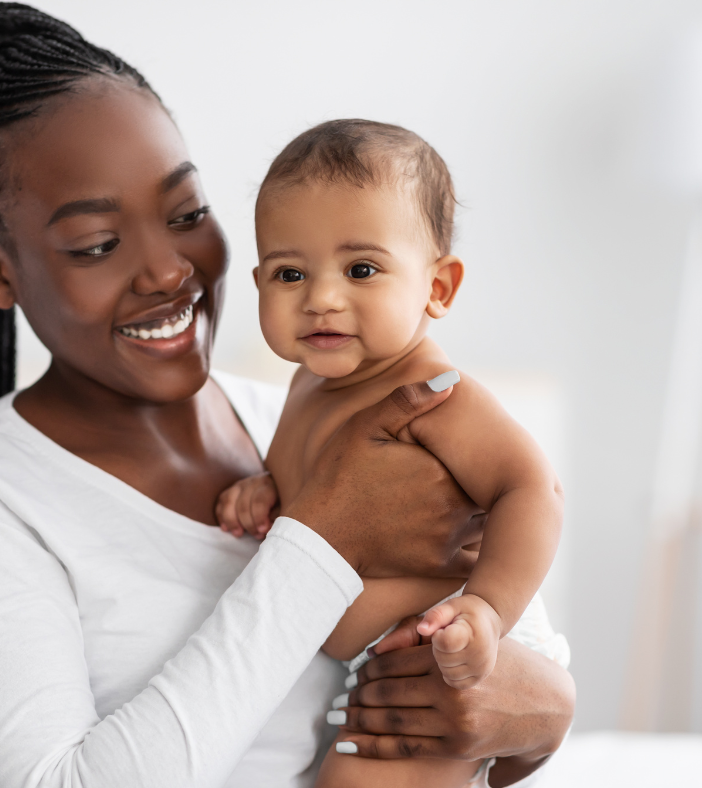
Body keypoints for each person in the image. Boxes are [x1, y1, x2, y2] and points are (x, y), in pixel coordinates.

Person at [0, 4, 575, 787]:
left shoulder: (303, 413)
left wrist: (546, 712)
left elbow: (519, 645)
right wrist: (316, 539)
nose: (167, 271)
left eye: (187, 214)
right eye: (98, 245)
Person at [215, 120, 570, 787]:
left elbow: (534, 489)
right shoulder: (306, 383)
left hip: (449, 642)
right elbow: (328, 491)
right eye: (291, 272)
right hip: (373, 656)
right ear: (259, 280)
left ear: (438, 287)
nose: (321, 298)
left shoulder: (438, 398)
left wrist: (488, 610)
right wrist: (269, 485)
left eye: (362, 269)